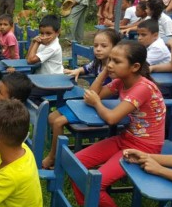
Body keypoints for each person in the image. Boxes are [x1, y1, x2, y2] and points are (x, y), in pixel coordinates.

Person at [71, 40, 166, 207]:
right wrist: (105, 72)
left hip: (145, 147)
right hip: (127, 139)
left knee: (98, 182)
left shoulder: (142, 87)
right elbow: (95, 93)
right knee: (75, 164)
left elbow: (112, 118)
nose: (110, 64)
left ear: (135, 67)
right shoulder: (122, 81)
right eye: (109, 60)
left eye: (116, 61)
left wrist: (96, 103)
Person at [45, 29, 122, 169]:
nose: (98, 49)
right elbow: (86, 68)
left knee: (58, 122)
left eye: (104, 46)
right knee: (51, 117)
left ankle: (54, 157)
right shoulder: (98, 63)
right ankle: (60, 150)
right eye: (96, 45)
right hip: (90, 102)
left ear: (116, 48)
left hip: (104, 107)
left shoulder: (115, 71)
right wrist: (77, 71)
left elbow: (97, 95)